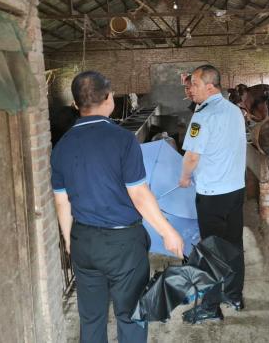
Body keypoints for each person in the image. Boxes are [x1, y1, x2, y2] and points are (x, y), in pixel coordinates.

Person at [51, 70, 184, 343]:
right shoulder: (122, 140)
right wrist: (167, 232)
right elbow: (139, 194)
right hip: (123, 243)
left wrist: (69, 240)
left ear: (75, 104)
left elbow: (62, 200)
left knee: (91, 318)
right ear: (109, 98)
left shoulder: (61, 146)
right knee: (131, 315)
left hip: (83, 241)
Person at [179, 65, 247, 323]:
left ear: (210, 87)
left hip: (212, 194)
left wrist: (185, 177)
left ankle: (210, 306)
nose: (191, 90)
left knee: (210, 252)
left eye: (195, 85)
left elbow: (192, 156)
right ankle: (234, 295)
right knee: (234, 245)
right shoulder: (234, 110)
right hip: (235, 189)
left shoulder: (202, 116)